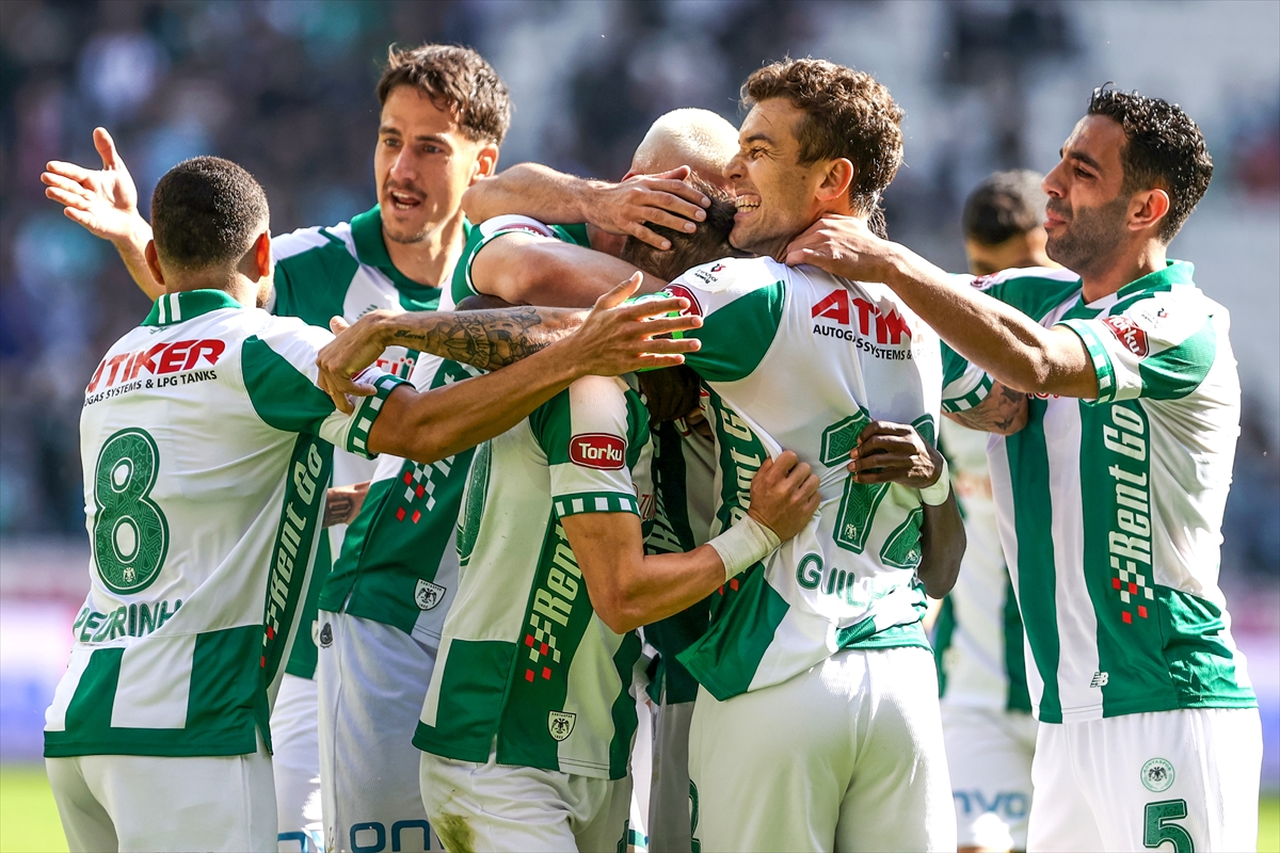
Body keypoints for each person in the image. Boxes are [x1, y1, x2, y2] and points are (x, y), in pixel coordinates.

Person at [785, 86, 1262, 852]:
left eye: (1082, 171)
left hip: (1167, 701)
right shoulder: (1039, 299)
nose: (1051, 183)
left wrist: (890, 259)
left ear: (1145, 210)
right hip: (1065, 715)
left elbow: (1035, 363)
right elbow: (887, 315)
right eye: (1061, 160)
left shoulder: (1182, 320)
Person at [407, 189, 819, 853]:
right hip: (500, 746)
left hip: (599, 750)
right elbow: (622, 594)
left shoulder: (653, 411)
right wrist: (760, 532)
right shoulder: (591, 390)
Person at [649, 59, 965, 852]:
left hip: (778, 670)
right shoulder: (926, 316)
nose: (731, 171)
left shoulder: (751, 291)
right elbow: (943, 565)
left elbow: (591, 332)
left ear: (832, 179)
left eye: (757, 151)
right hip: (902, 678)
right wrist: (935, 478)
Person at [935, 169, 1055, 853]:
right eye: (984, 274)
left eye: (1025, 271)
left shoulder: (1100, 380)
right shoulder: (945, 380)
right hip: (974, 690)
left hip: (1080, 693)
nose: (1004, 294)